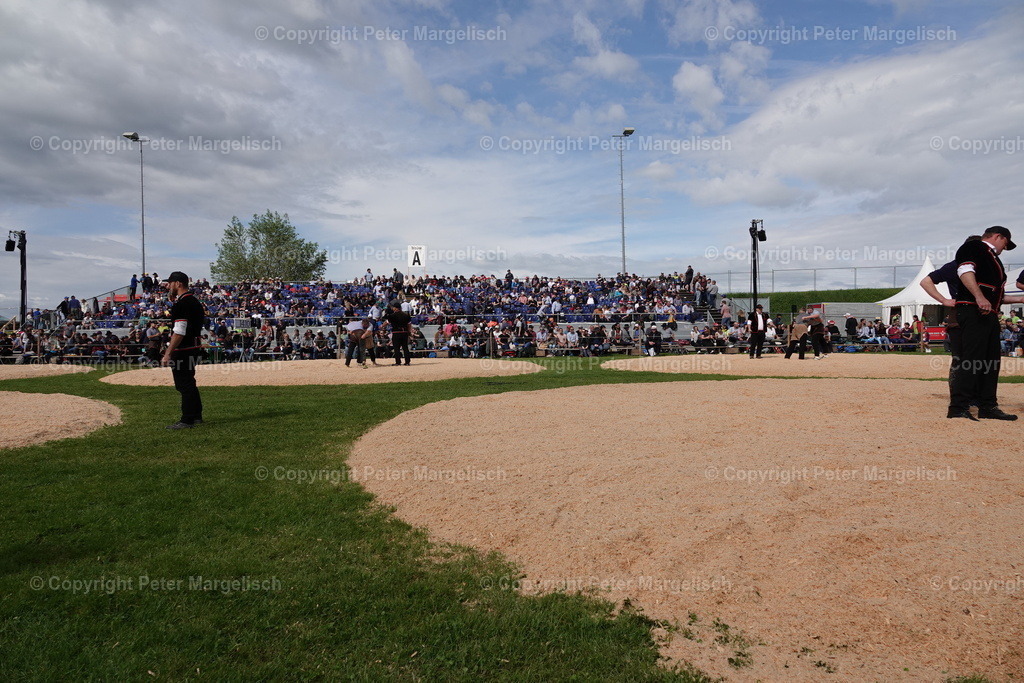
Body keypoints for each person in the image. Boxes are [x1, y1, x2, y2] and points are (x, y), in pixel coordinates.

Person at [949, 226, 1024, 420]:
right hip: (973, 310)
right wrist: (979, 296)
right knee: (972, 360)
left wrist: (1020, 299)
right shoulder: (974, 246)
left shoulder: (992, 258)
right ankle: (958, 407)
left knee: (991, 362)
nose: (1004, 249)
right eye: (1005, 244)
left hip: (988, 313)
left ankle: (988, 405)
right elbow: (965, 270)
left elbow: (996, 295)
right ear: (998, 236)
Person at [160, 271, 205, 429]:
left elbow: (179, 331)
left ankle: (187, 420)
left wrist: (168, 353)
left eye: (170, 283)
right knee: (190, 382)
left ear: (178, 283)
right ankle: (196, 415)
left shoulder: (182, 304)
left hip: (184, 349)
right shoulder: (194, 301)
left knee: (184, 384)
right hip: (193, 347)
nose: (168, 286)